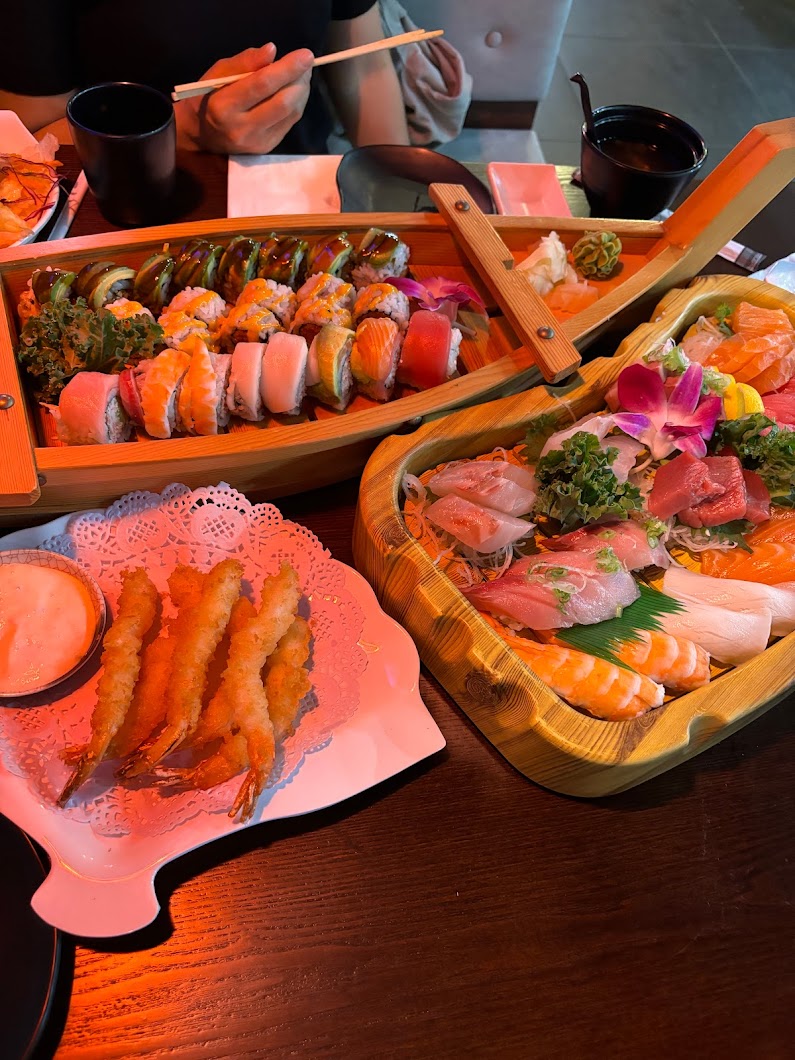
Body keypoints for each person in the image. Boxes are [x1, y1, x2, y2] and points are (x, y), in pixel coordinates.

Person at [0, 1, 409, 154]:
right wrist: (185, 129)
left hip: (302, 194)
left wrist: (401, 197)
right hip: (135, 213)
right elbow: (25, 144)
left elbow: (366, 66)